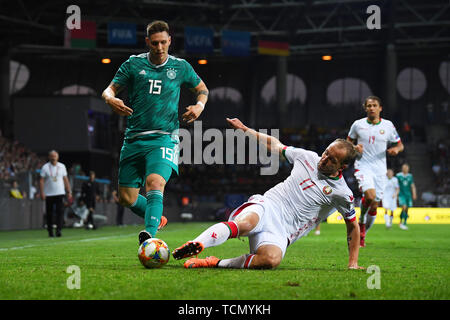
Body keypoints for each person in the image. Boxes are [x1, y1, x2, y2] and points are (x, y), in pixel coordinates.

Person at [172, 118, 363, 270]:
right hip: (268, 205)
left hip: (283, 231)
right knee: (246, 224)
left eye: (332, 160)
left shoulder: (342, 193)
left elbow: (353, 226)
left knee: (271, 260)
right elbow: (275, 145)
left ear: (342, 167)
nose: (324, 159)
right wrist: (246, 130)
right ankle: (197, 244)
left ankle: (215, 262)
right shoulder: (307, 157)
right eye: (326, 152)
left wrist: (352, 263)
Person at [102, 20, 208, 245]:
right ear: (147, 42)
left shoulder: (180, 67)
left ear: (170, 41)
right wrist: (110, 99)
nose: (159, 47)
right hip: (134, 139)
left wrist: (199, 106)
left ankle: (149, 237)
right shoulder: (133, 64)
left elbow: (202, 89)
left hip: (164, 138)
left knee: (154, 182)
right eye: (155, 43)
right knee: (126, 198)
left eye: (163, 42)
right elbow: (109, 90)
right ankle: (156, 217)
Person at [347, 96, 404, 247]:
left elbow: (400, 145)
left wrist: (396, 150)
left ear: (380, 108)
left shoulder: (388, 126)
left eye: (374, 105)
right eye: (369, 106)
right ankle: (361, 223)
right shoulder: (358, 125)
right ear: (365, 108)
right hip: (363, 165)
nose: (372, 108)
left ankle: (363, 230)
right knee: (370, 196)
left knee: (374, 205)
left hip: (380, 169)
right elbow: (347, 144)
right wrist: (354, 148)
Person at [39, 150, 72, 237]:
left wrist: (69, 191)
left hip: (60, 193)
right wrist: (42, 192)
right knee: (49, 213)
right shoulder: (45, 167)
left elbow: (66, 179)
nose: (53, 158)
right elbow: (41, 181)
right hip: (49, 194)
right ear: (49, 157)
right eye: (52, 156)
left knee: (60, 212)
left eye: (55, 156)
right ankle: (50, 231)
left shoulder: (62, 166)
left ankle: (59, 230)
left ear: (57, 157)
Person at [396, 163, 417, 230]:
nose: (406, 169)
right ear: (402, 168)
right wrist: (396, 194)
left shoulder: (410, 176)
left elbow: (412, 185)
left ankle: (404, 222)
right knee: (404, 207)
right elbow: (396, 185)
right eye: (404, 168)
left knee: (407, 209)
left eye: (407, 168)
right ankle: (402, 223)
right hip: (401, 194)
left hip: (408, 195)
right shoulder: (398, 175)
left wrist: (414, 194)